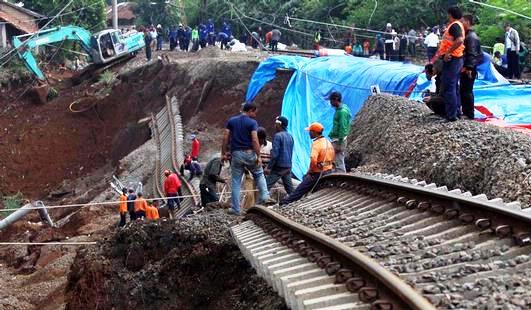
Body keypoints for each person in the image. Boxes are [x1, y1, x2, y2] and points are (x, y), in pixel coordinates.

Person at [222, 102, 273, 215]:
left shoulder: (232, 121)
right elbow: (255, 140)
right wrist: (258, 156)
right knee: (259, 174)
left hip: (236, 155)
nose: (255, 115)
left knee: (235, 181)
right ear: (250, 110)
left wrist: (224, 153)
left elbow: (225, 137)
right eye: (254, 112)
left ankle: (236, 209)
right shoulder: (252, 123)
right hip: (249, 153)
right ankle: (265, 197)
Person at [280, 122, 335, 205]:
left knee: (299, 190)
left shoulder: (316, 144)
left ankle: (285, 202)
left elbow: (313, 160)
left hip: (317, 173)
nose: (309, 133)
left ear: (314, 132)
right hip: (328, 171)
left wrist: (310, 172)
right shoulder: (327, 142)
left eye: (310, 131)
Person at [435, 6, 465, 122]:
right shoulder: (457, 25)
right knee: (454, 87)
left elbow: (459, 40)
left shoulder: (455, 26)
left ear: (451, 15)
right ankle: (456, 112)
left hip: (453, 60)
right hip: (455, 59)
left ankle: (451, 115)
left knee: (449, 87)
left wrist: (448, 52)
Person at [460, 14, 483, 120]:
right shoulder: (468, 35)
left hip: (469, 68)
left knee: (467, 90)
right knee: (464, 89)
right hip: (466, 66)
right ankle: (465, 111)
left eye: (462, 21)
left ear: (467, 22)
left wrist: (469, 67)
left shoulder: (471, 37)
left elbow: (472, 53)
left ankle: (469, 113)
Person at [265, 116, 294, 194]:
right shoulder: (290, 136)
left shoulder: (278, 136)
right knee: (290, 190)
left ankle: (258, 204)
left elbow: (275, 155)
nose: (275, 125)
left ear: (279, 124)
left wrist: (268, 167)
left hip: (279, 168)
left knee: (265, 187)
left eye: (276, 124)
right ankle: (297, 202)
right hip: (287, 167)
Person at [328, 91, 351, 172]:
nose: (330, 103)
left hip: (338, 140)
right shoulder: (341, 109)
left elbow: (343, 128)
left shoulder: (342, 112)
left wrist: (340, 143)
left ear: (336, 100)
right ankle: (336, 174)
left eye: (331, 100)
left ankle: (341, 176)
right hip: (337, 139)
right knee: (336, 159)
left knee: (339, 160)